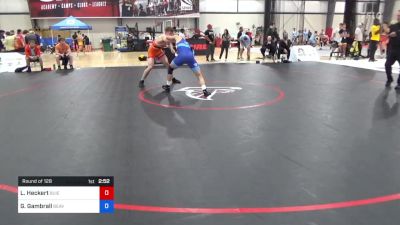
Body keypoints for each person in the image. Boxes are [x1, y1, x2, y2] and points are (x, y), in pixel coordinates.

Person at [384, 10, 400, 89]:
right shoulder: (393, 26)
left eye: (399, 16)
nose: (398, 17)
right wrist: (386, 28)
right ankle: (389, 79)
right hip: (393, 49)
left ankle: (399, 83)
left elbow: (396, 33)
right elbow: (388, 31)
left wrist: (397, 33)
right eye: (398, 16)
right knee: (387, 65)